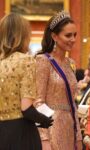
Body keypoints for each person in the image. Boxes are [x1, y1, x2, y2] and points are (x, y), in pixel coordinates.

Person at [0, 13, 53, 150]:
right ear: (22, 35)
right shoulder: (26, 60)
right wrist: (44, 120)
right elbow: (26, 109)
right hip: (21, 133)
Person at [35, 11, 82, 150]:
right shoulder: (43, 61)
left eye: (75, 35)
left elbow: (73, 103)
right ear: (54, 36)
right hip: (52, 127)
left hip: (70, 126)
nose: (73, 39)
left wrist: (78, 135)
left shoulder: (70, 63)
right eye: (68, 35)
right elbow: (38, 102)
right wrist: (44, 138)